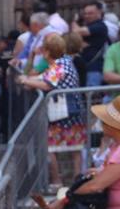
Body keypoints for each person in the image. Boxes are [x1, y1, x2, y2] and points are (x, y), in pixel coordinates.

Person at [21, 33, 86, 185]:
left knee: (53, 147)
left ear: (47, 52)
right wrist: (30, 81)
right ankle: (76, 180)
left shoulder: (59, 65)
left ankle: (58, 181)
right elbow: (43, 78)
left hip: (65, 112)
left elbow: (46, 84)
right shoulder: (64, 62)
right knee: (74, 147)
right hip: (71, 110)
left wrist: (26, 80)